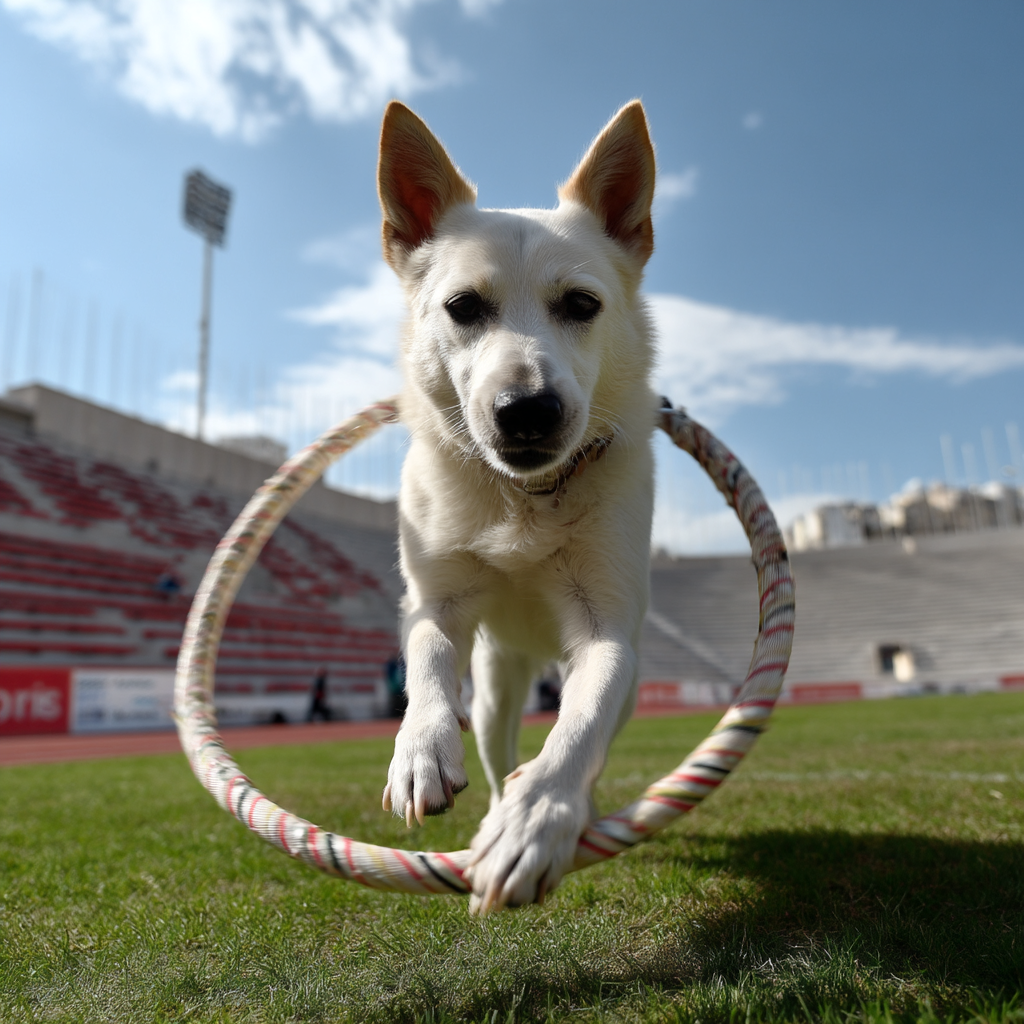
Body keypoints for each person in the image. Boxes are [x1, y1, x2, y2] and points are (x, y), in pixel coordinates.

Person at [384, 653, 407, 718]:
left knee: (402, 702)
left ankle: (400, 715)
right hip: (396, 688)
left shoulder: (400, 665)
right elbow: (391, 677)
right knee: (396, 702)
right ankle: (395, 715)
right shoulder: (393, 666)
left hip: (400, 688)